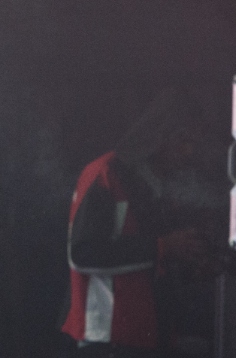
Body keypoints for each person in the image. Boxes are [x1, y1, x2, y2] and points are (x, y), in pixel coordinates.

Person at [63, 90, 217, 358]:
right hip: (107, 339)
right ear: (159, 136)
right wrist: (163, 247)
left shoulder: (155, 185)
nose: (189, 152)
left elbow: (149, 260)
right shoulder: (105, 173)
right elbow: (83, 254)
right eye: (183, 141)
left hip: (148, 336)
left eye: (194, 143)